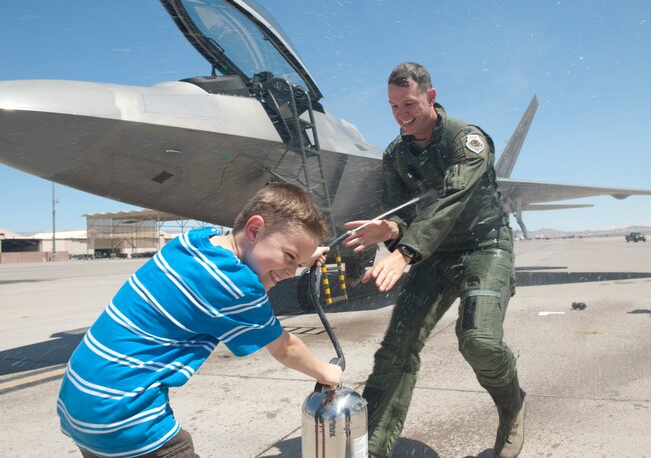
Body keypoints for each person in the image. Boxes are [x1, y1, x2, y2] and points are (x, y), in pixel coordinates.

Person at [57, 183, 342, 458]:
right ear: (254, 229)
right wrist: (325, 373)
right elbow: (285, 347)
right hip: (125, 416)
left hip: (80, 400)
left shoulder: (192, 242)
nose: (292, 272)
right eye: (290, 257)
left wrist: (298, 255)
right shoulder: (235, 286)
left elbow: (262, 263)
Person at [343, 62, 525, 458]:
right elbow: (401, 211)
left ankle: (512, 407)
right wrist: (390, 230)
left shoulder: (467, 140)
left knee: (478, 342)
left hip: (483, 246)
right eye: (392, 106)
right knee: (395, 350)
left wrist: (406, 251)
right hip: (433, 253)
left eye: (408, 103)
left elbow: (451, 200)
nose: (401, 114)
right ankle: (369, 450)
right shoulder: (396, 153)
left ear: (430, 97)